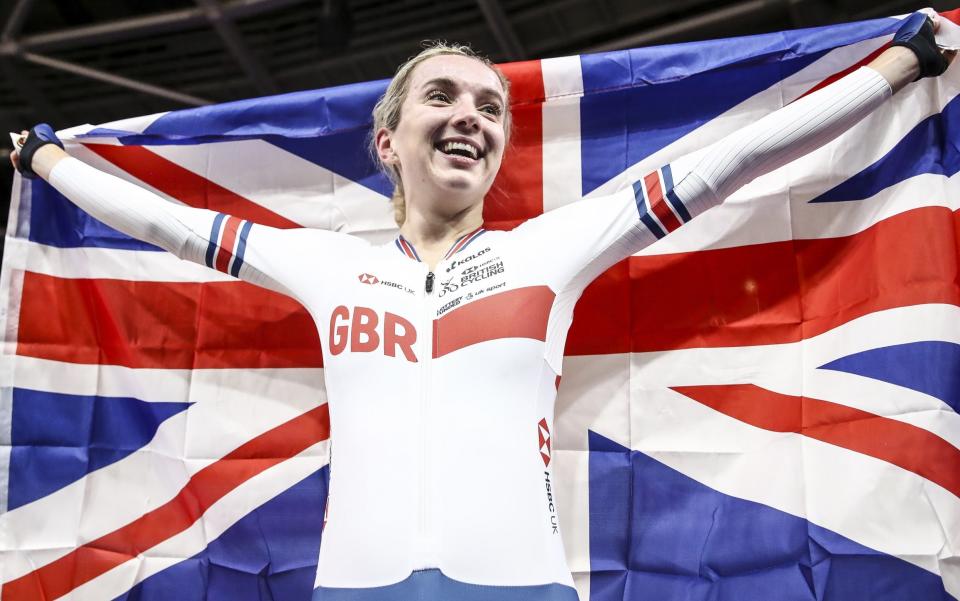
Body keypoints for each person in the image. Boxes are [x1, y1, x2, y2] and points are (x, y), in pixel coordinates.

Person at [10, 12, 953, 601]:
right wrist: (44, 159)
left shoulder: (556, 244)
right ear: (387, 141)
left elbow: (724, 163)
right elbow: (172, 224)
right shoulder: (322, 263)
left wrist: (896, 68)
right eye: (444, 97)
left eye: (491, 107)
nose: (473, 114)